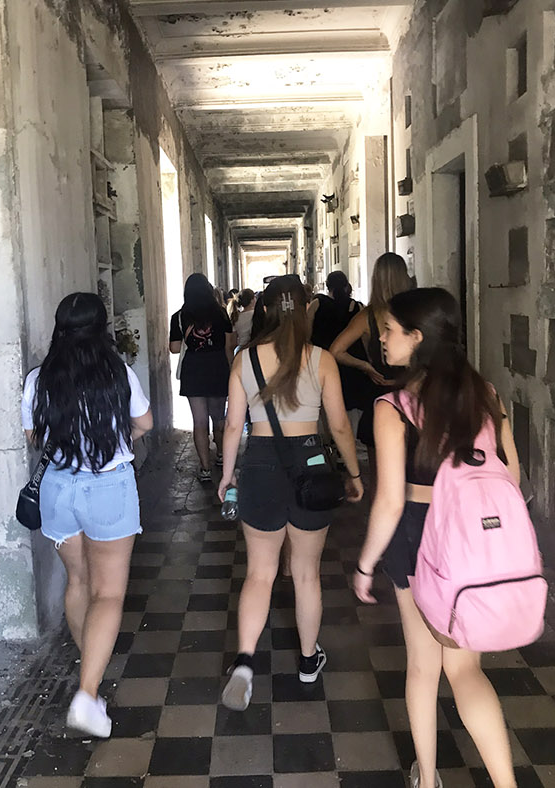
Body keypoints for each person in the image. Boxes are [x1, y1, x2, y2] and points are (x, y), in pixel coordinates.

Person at [351, 287, 522, 788]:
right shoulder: (486, 393)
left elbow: (390, 501)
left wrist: (365, 564)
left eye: (390, 330)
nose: (382, 339)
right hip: (476, 537)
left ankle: (427, 779)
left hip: (419, 537)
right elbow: (511, 477)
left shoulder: (393, 406)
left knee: (423, 666)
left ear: (417, 337)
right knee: (466, 670)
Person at [217, 275, 364, 712]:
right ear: (305, 310)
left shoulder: (244, 359)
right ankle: (307, 661)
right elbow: (339, 426)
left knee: (259, 573)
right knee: (306, 574)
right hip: (310, 464)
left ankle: (245, 664)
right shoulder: (321, 359)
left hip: (260, 464)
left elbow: (232, 426)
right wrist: (354, 473)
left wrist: (227, 475)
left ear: (264, 309)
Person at [22, 293, 153, 737]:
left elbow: (34, 434)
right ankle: (87, 691)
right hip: (108, 487)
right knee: (108, 593)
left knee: (78, 582)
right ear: (101, 328)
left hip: (58, 489)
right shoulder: (118, 373)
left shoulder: (39, 379)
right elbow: (145, 423)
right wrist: (114, 438)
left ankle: (89, 683)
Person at [329, 253, 415, 448]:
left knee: (378, 456)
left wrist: (365, 366)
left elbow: (336, 350)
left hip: (379, 392)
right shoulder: (415, 313)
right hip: (410, 391)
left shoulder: (366, 316)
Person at [170, 273, 235, 482]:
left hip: (194, 369)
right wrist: (232, 369)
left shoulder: (179, 316)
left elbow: (174, 348)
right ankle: (222, 455)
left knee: (199, 422)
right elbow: (229, 345)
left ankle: (205, 468)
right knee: (218, 417)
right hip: (217, 367)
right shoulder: (221, 314)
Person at [310, 271, 366, 433]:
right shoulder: (357, 307)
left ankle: (329, 440)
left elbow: (305, 335)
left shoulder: (317, 304)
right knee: (351, 408)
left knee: (325, 403)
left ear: (328, 286)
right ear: (346, 285)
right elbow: (365, 339)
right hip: (350, 364)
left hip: (321, 362)